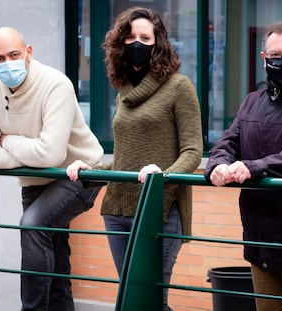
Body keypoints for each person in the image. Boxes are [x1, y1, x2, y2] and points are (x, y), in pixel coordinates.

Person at [67, 7, 203, 311]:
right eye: (130, 37)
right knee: (133, 300)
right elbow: (125, 159)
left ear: (159, 43)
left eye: (145, 37)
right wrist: (91, 169)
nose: (137, 43)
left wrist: (163, 174)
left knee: (152, 301)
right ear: (119, 45)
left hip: (160, 209)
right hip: (117, 210)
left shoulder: (179, 87)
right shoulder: (123, 91)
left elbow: (193, 151)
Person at [0, 27, 104, 311]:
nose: (8, 63)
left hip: (78, 173)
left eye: (14, 55)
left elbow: (52, 152)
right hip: (34, 182)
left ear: (28, 53)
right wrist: (32, 153)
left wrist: (8, 141)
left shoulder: (55, 84)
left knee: (33, 225)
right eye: (0, 58)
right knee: (56, 261)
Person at [204, 21, 282, 311]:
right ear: (263, 58)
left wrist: (255, 167)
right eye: (275, 55)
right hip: (261, 247)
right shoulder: (251, 102)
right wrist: (218, 165)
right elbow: (227, 143)